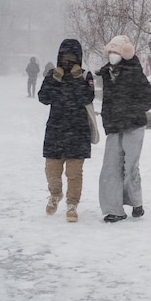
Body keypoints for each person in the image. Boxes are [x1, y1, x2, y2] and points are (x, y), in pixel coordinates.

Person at [95, 35, 151, 223]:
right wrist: (108, 118)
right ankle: (114, 209)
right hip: (114, 126)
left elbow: (148, 100)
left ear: (125, 53)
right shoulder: (106, 73)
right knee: (110, 168)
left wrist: (129, 111)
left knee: (130, 166)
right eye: (110, 52)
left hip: (133, 125)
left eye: (116, 52)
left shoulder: (135, 73)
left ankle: (136, 202)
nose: (113, 55)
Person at [37, 39, 96, 222]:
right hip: (56, 130)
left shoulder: (86, 76)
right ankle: (55, 194)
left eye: (72, 57)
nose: (68, 60)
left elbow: (87, 97)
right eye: (64, 56)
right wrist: (55, 80)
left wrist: (77, 80)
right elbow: (44, 97)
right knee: (52, 171)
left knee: (74, 172)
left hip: (78, 131)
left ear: (78, 57)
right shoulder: (52, 74)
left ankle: (72, 205)